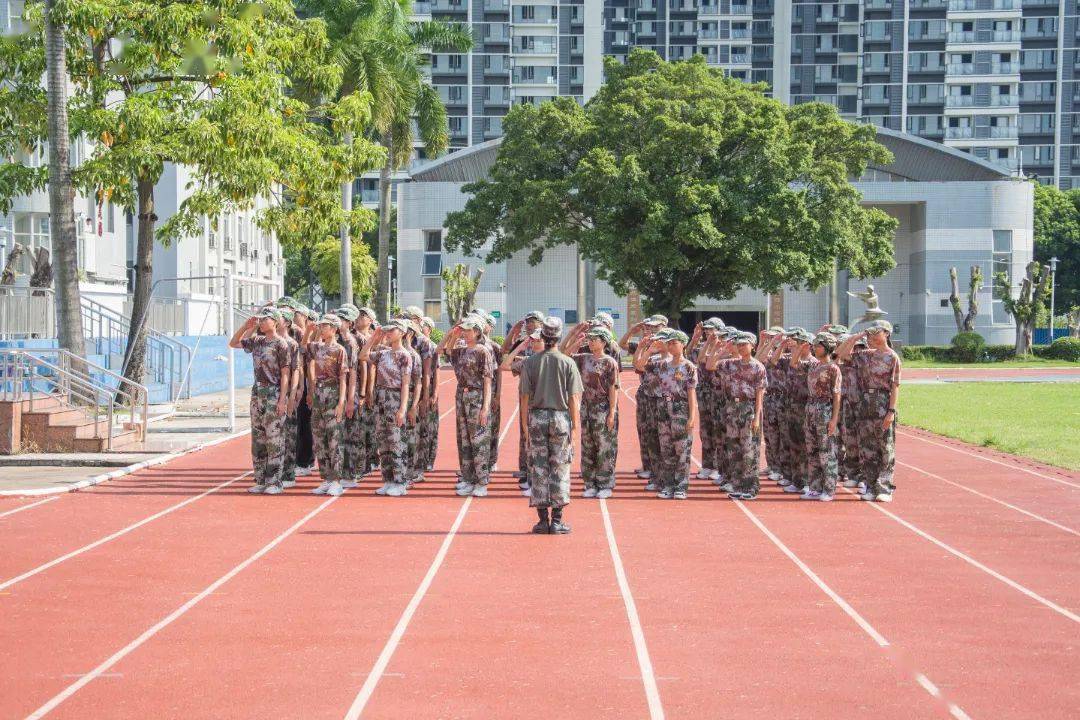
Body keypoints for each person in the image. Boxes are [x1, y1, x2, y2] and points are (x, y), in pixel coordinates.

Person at [520, 317, 583, 534]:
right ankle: (557, 521)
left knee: (538, 468)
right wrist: (575, 428)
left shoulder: (530, 362)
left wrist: (525, 427)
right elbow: (574, 399)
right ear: (558, 337)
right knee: (560, 467)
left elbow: (524, 398)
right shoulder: (568, 363)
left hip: (536, 418)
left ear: (543, 336)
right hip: (560, 418)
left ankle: (541, 521)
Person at [837, 320, 902, 502]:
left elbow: (895, 386)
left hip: (882, 401)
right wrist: (858, 336)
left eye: (876, 333)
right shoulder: (865, 355)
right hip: (865, 402)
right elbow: (841, 353)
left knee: (885, 447)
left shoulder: (892, 357)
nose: (872, 337)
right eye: (870, 334)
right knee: (867, 447)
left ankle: (884, 487)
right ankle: (871, 486)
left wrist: (891, 411)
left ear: (886, 334)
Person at [229, 307, 292, 495]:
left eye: (265, 319)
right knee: (258, 439)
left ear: (275, 322)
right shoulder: (257, 341)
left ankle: (275, 481)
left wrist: (283, 400)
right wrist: (246, 326)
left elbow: (286, 373)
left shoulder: (281, 344)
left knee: (274, 439)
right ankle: (261, 479)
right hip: (257, 394)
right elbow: (234, 343)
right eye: (261, 320)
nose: (261, 322)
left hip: (273, 393)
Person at [437, 316, 495, 497]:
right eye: (464, 329)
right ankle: (469, 479)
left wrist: (485, 407)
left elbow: (487, 381)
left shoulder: (482, 351)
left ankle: (482, 482)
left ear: (477, 332)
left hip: (476, 397)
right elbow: (445, 350)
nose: (465, 332)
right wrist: (453, 333)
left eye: (468, 329)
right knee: (464, 441)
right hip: (461, 396)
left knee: (479, 440)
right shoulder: (461, 350)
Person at [705, 331, 766, 499]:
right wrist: (720, 348)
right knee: (734, 449)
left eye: (743, 344)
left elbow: (760, 393)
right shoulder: (731, 364)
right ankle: (738, 486)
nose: (740, 347)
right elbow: (710, 365)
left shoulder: (757, 366)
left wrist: (756, 417)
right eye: (738, 344)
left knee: (749, 451)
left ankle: (750, 489)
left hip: (749, 408)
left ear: (752, 346)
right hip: (733, 408)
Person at [638, 328, 698, 499]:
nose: (671, 346)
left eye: (674, 343)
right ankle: (668, 485)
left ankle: (681, 486)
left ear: (683, 344)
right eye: (669, 343)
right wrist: (649, 350)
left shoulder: (689, 367)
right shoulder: (662, 365)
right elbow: (641, 365)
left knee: (682, 450)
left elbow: (691, 393)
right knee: (666, 449)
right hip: (663, 408)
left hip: (681, 409)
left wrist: (692, 417)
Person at [358, 319, 415, 496]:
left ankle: (400, 482)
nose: (389, 333)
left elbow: (406, 384)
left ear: (403, 333)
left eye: (393, 330)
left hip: (395, 397)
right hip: (380, 398)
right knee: (383, 443)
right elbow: (362, 355)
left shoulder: (404, 355)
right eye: (387, 330)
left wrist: (403, 409)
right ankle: (388, 479)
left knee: (396, 442)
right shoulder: (383, 353)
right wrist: (374, 337)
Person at [565, 325, 620, 498]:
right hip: (586, 407)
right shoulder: (583, 359)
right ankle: (590, 483)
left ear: (603, 342)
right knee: (588, 445)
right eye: (590, 339)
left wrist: (612, 413)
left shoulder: (609, 362)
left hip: (602, 408)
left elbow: (613, 388)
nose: (591, 342)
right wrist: (578, 341)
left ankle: (605, 484)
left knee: (604, 446)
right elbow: (565, 356)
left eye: (594, 339)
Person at [306, 314, 348, 496]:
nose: (321, 328)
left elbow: (343, 378)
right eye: (321, 326)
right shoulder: (317, 347)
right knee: (319, 439)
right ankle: (326, 478)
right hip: (318, 395)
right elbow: (303, 346)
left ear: (334, 329)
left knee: (334, 440)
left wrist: (341, 402)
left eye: (325, 326)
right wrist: (309, 330)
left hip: (333, 394)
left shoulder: (339, 350)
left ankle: (337, 480)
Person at [500, 327, 545, 496]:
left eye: (537, 340)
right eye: (532, 340)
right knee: (531, 446)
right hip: (530, 408)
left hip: (546, 408)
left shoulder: (553, 359)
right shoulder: (527, 361)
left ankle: (543, 485)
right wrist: (520, 346)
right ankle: (533, 482)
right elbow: (505, 365)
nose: (533, 342)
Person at [625, 315, 668, 487]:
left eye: (655, 327)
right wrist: (638, 338)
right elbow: (637, 363)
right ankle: (653, 471)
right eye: (649, 326)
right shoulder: (648, 348)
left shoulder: (669, 346)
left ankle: (667, 478)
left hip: (665, 400)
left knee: (665, 440)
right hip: (648, 396)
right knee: (649, 434)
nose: (651, 329)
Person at [803, 332, 842, 501]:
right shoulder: (813, 366)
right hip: (810, 408)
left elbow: (837, 395)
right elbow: (794, 362)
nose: (814, 348)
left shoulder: (833, 368)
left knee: (826, 451)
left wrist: (834, 419)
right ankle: (814, 487)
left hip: (825, 409)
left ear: (826, 348)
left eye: (818, 346)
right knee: (812, 450)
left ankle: (829, 489)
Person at [780, 328, 815, 494]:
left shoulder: (813, 362)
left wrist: (799, 350)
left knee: (806, 446)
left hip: (805, 408)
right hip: (791, 407)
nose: (794, 346)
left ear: (807, 345)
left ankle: (808, 481)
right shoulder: (793, 359)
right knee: (794, 446)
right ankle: (797, 480)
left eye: (799, 343)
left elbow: (795, 364)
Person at [418, 316, 440, 473]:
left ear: (430, 330)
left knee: (430, 427)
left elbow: (436, 372)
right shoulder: (415, 344)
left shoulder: (431, 346)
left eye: (424, 326)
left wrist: (434, 394)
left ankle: (429, 459)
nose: (421, 328)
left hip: (430, 388)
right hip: (418, 388)